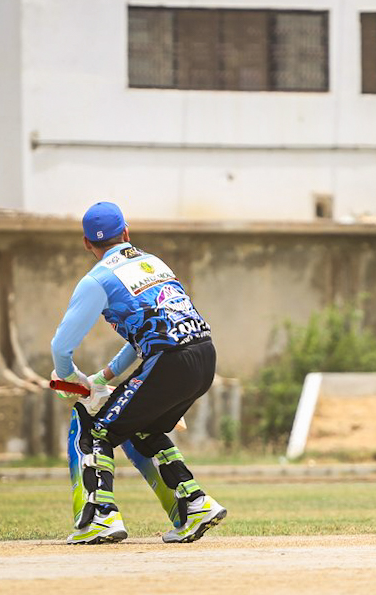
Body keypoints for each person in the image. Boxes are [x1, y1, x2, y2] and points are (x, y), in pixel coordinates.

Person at [51, 201, 227, 545]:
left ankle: (100, 518)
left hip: (170, 360)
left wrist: (68, 378)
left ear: (87, 243)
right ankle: (195, 504)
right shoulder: (154, 263)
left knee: (96, 431)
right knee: (144, 430)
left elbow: (61, 346)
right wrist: (103, 377)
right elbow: (145, 334)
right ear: (126, 232)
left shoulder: (97, 279)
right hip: (204, 355)